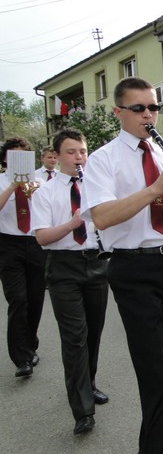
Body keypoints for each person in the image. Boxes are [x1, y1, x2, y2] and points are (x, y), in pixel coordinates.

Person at [82, 77, 163, 453]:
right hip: (134, 269)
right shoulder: (103, 159)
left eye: (153, 107)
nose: (148, 115)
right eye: (138, 108)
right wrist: (157, 186)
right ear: (118, 112)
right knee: (157, 374)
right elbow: (102, 217)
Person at [31, 129, 109, 436]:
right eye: (71, 152)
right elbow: (42, 238)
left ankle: (89, 384)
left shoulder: (96, 186)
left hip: (96, 263)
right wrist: (75, 222)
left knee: (93, 333)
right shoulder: (45, 192)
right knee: (75, 337)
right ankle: (83, 410)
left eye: (83, 151)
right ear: (57, 156)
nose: (79, 157)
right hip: (63, 267)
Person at [0, 137, 47, 378]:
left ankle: (30, 343)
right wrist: (12, 186)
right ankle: (22, 358)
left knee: (35, 298)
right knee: (18, 299)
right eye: (13, 155)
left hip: (34, 242)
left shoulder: (38, 182)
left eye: (22, 155)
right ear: (5, 159)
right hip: (8, 244)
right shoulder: (1, 181)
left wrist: (32, 191)